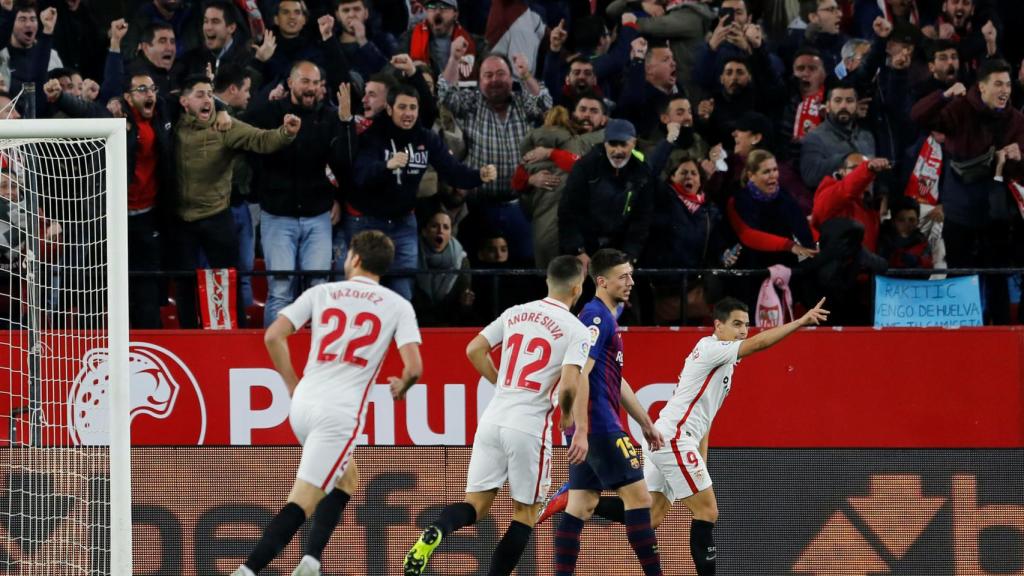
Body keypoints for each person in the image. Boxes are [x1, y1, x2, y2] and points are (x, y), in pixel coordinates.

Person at [232, 230, 422, 576]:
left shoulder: (322, 292)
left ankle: (311, 561)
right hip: (339, 415)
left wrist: (292, 384)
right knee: (302, 501)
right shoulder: (398, 305)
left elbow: (273, 335)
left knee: (347, 478)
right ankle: (247, 570)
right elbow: (415, 368)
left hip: (303, 403)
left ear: (355, 259)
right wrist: (403, 385)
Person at [403, 255, 591, 576]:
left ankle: (437, 528)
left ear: (547, 281)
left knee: (475, 504)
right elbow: (570, 384)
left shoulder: (516, 312)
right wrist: (567, 415)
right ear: (577, 288)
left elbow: (473, 349)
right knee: (525, 515)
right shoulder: (576, 330)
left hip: (493, 419)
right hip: (530, 427)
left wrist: (500, 381)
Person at [553, 248, 665, 576]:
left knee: (581, 505)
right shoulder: (596, 318)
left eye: (631, 275)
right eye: (623, 277)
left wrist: (645, 422)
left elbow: (615, 378)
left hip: (592, 427)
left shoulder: (603, 318)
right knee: (640, 500)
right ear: (602, 282)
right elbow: (580, 372)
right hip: (599, 426)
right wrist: (584, 431)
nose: (631, 282)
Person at [558, 119, 654, 266]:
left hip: (620, 251)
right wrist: (578, 251)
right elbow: (568, 211)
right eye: (612, 144)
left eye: (623, 144)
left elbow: (642, 219)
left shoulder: (642, 172)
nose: (618, 151)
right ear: (605, 143)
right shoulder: (585, 167)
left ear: (633, 143)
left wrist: (630, 255)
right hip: (585, 251)